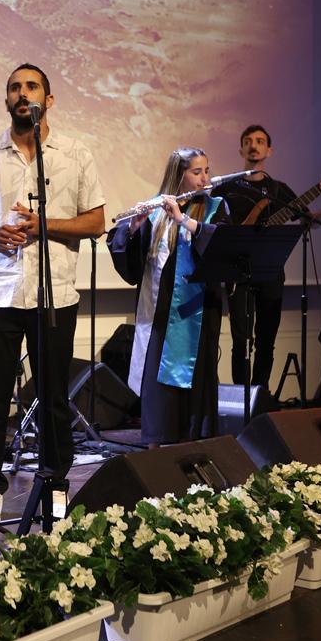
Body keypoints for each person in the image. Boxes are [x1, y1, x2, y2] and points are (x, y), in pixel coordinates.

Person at [0, 63, 105, 524]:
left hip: (54, 295)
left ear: (48, 99)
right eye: (15, 88)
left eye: (32, 87)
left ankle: (55, 482)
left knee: (54, 398)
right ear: (6, 100)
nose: (23, 93)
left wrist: (43, 225)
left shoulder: (75, 154)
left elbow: (96, 222)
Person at [110, 148, 229, 443]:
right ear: (179, 175)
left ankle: (195, 443)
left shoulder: (215, 207)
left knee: (196, 378)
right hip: (161, 311)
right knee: (159, 381)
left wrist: (183, 220)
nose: (205, 178)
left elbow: (222, 246)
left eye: (206, 171)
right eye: (197, 172)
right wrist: (134, 228)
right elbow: (133, 267)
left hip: (198, 312)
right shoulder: (155, 211)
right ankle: (159, 443)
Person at [211, 125, 321, 388]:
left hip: (270, 272)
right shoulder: (227, 189)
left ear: (269, 150)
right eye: (248, 141)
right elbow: (211, 227)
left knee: (267, 341)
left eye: (259, 141)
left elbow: (308, 222)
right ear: (241, 149)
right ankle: (241, 398)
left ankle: (260, 396)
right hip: (237, 273)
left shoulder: (278, 190)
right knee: (241, 342)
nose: (253, 145)